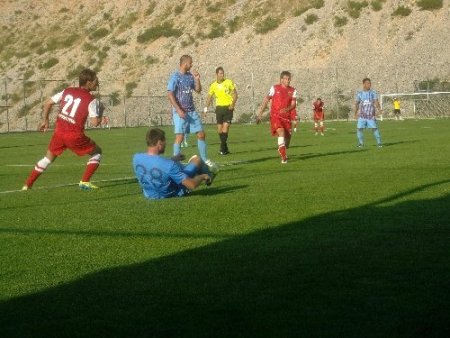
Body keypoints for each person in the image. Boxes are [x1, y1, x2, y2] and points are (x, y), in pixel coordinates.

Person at [22, 68, 103, 190]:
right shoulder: (91, 100)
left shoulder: (67, 91)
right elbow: (94, 123)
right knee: (97, 152)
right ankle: (84, 182)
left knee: (47, 159)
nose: (98, 83)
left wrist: (45, 120)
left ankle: (27, 185)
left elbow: (48, 102)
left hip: (59, 133)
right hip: (75, 135)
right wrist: (100, 112)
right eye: (96, 80)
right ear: (89, 82)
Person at [133, 128, 218, 200]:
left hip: (149, 194)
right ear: (159, 142)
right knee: (197, 159)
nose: (165, 143)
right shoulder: (169, 165)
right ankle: (209, 176)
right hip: (172, 193)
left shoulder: (136, 158)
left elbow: (154, 162)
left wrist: (173, 159)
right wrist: (202, 176)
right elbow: (191, 185)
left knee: (183, 165)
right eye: (164, 141)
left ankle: (207, 174)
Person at [167, 55, 212, 166]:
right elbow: (170, 94)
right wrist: (178, 110)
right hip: (180, 112)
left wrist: (197, 79)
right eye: (190, 63)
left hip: (191, 111)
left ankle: (205, 160)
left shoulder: (190, 76)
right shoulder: (175, 77)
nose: (191, 65)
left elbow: (198, 90)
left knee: (201, 134)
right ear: (185, 63)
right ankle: (177, 163)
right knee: (180, 137)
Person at [256, 71, 298, 164]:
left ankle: (282, 149)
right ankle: (284, 158)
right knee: (281, 132)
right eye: (286, 79)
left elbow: (293, 105)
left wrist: (287, 109)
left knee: (286, 144)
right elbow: (266, 100)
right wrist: (260, 114)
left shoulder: (293, 90)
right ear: (281, 79)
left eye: (289, 79)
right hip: (276, 116)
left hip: (286, 118)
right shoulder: (274, 88)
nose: (288, 81)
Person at [204, 67, 238, 155]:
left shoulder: (229, 82)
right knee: (219, 130)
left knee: (225, 128)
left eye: (223, 73)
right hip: (219, 109)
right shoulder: (213, 85)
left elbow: (235, 94)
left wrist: (232, 104)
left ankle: (222, 149)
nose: (222, 75)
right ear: (216, 74)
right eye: (220, 73)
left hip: (228, 108)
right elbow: (209, 97)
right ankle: (225, 147)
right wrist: (205, 108)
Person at [353, 78, 383, 148]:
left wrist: (379, 110)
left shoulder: (373, 93)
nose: (369, 84)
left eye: (370, 83)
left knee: (374, 128)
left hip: (371, 115)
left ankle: (379, 143)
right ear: (364, 84)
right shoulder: (360, 93)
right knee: (359, 128)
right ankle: (361, 143)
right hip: (362, 115)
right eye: (368, 83)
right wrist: (355, 113)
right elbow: (357, 103)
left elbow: (376, 101)